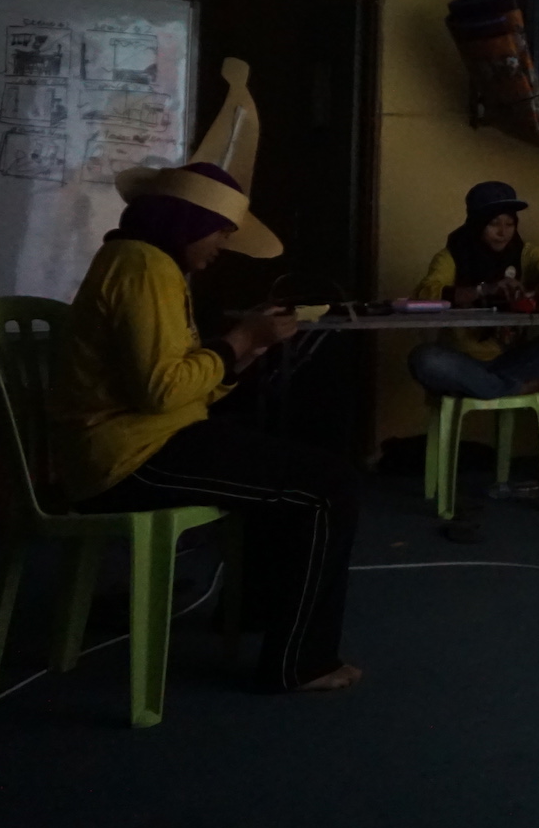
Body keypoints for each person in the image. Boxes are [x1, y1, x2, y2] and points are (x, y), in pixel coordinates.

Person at [49, 162, 364, 694]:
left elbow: (178, 385)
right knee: (330, 486)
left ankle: (257, 614)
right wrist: (239, 340)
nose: (223, 244)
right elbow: (161, 391)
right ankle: (301, 661)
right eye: (220, 231)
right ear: (187, 220)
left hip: (141, 442)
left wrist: (248, 350)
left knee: (284, 473)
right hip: (131, 457)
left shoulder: (142, 261)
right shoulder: (145, 268)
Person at [407, 180, 539, 410]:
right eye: (494, 224)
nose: (503, 232)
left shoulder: (524, 253)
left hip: (514, 360)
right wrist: (484, 289)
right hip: (463, 362)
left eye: (510, 224)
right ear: (477, 224)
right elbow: (425, 293)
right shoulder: (453, 256)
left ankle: (489, 385)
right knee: (425, 359)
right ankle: (515, 387)